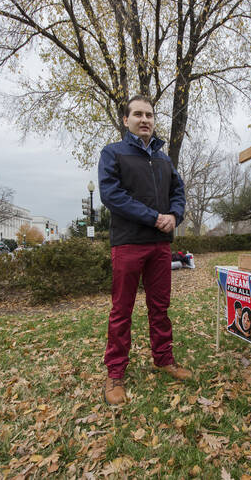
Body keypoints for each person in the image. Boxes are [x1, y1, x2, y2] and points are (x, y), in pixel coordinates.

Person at [98, 95, 191, 406]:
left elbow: (178, 192)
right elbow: (112, 195)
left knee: (160, 307)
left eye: (149, 114)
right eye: (137, 114)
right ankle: (115, 374)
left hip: (159, 247)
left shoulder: (164, 159)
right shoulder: (113, 153)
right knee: (121, 311)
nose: (144, 119)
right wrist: (154, 217)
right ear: (126, 120)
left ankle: (163, 359)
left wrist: (174, 215)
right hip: (127, 243)